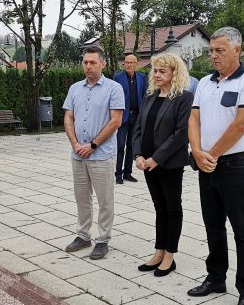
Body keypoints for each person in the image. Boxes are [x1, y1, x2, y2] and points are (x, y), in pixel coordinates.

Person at [186, 26, 244, 305]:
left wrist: (212, 154)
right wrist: (197, 151)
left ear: (237, 50)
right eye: (211, 51)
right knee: (213, 225)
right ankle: (216, 277)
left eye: (219, 50)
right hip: (206, 164)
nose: (213, 55)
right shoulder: (205, 83)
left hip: (235, 165)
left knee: (242, 229)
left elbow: (241, 123)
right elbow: (193, 118)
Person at [132, 54, 192, 277]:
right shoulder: (150, 96)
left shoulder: (184, 98)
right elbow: (138, 127)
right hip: (147, 163)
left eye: (162, 71)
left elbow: (181, 134)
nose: (157, 75)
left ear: (175, 73)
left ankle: (169, 255)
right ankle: (159, 251)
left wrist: (156, 158)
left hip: (169, 164)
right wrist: (138, 154)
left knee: (172, 208)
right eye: (155, 71)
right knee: (160, 208)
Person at [63, 46, 125, 260]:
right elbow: (68, 117)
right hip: (78, 154)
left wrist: (93, 145)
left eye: (93, 62)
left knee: (105, 199)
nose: (88, 66)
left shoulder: (114, 88)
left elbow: (115, 121)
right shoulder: (75, 89)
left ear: (102, 64)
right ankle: (83, 235)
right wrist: (75, 144)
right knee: (81, 197)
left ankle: (103, 239)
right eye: (85, 62)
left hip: (101, 154)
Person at [114, 54, 147, 184]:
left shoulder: (142, 77)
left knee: (132, 146)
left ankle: (128, 173)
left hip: (136, 117)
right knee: (120, 145)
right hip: (123, 117)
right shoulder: (118, 77)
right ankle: (118, 174)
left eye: (131, 62)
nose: (128, 64)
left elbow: (144, 96)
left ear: (136, 64)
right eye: (126, 62)